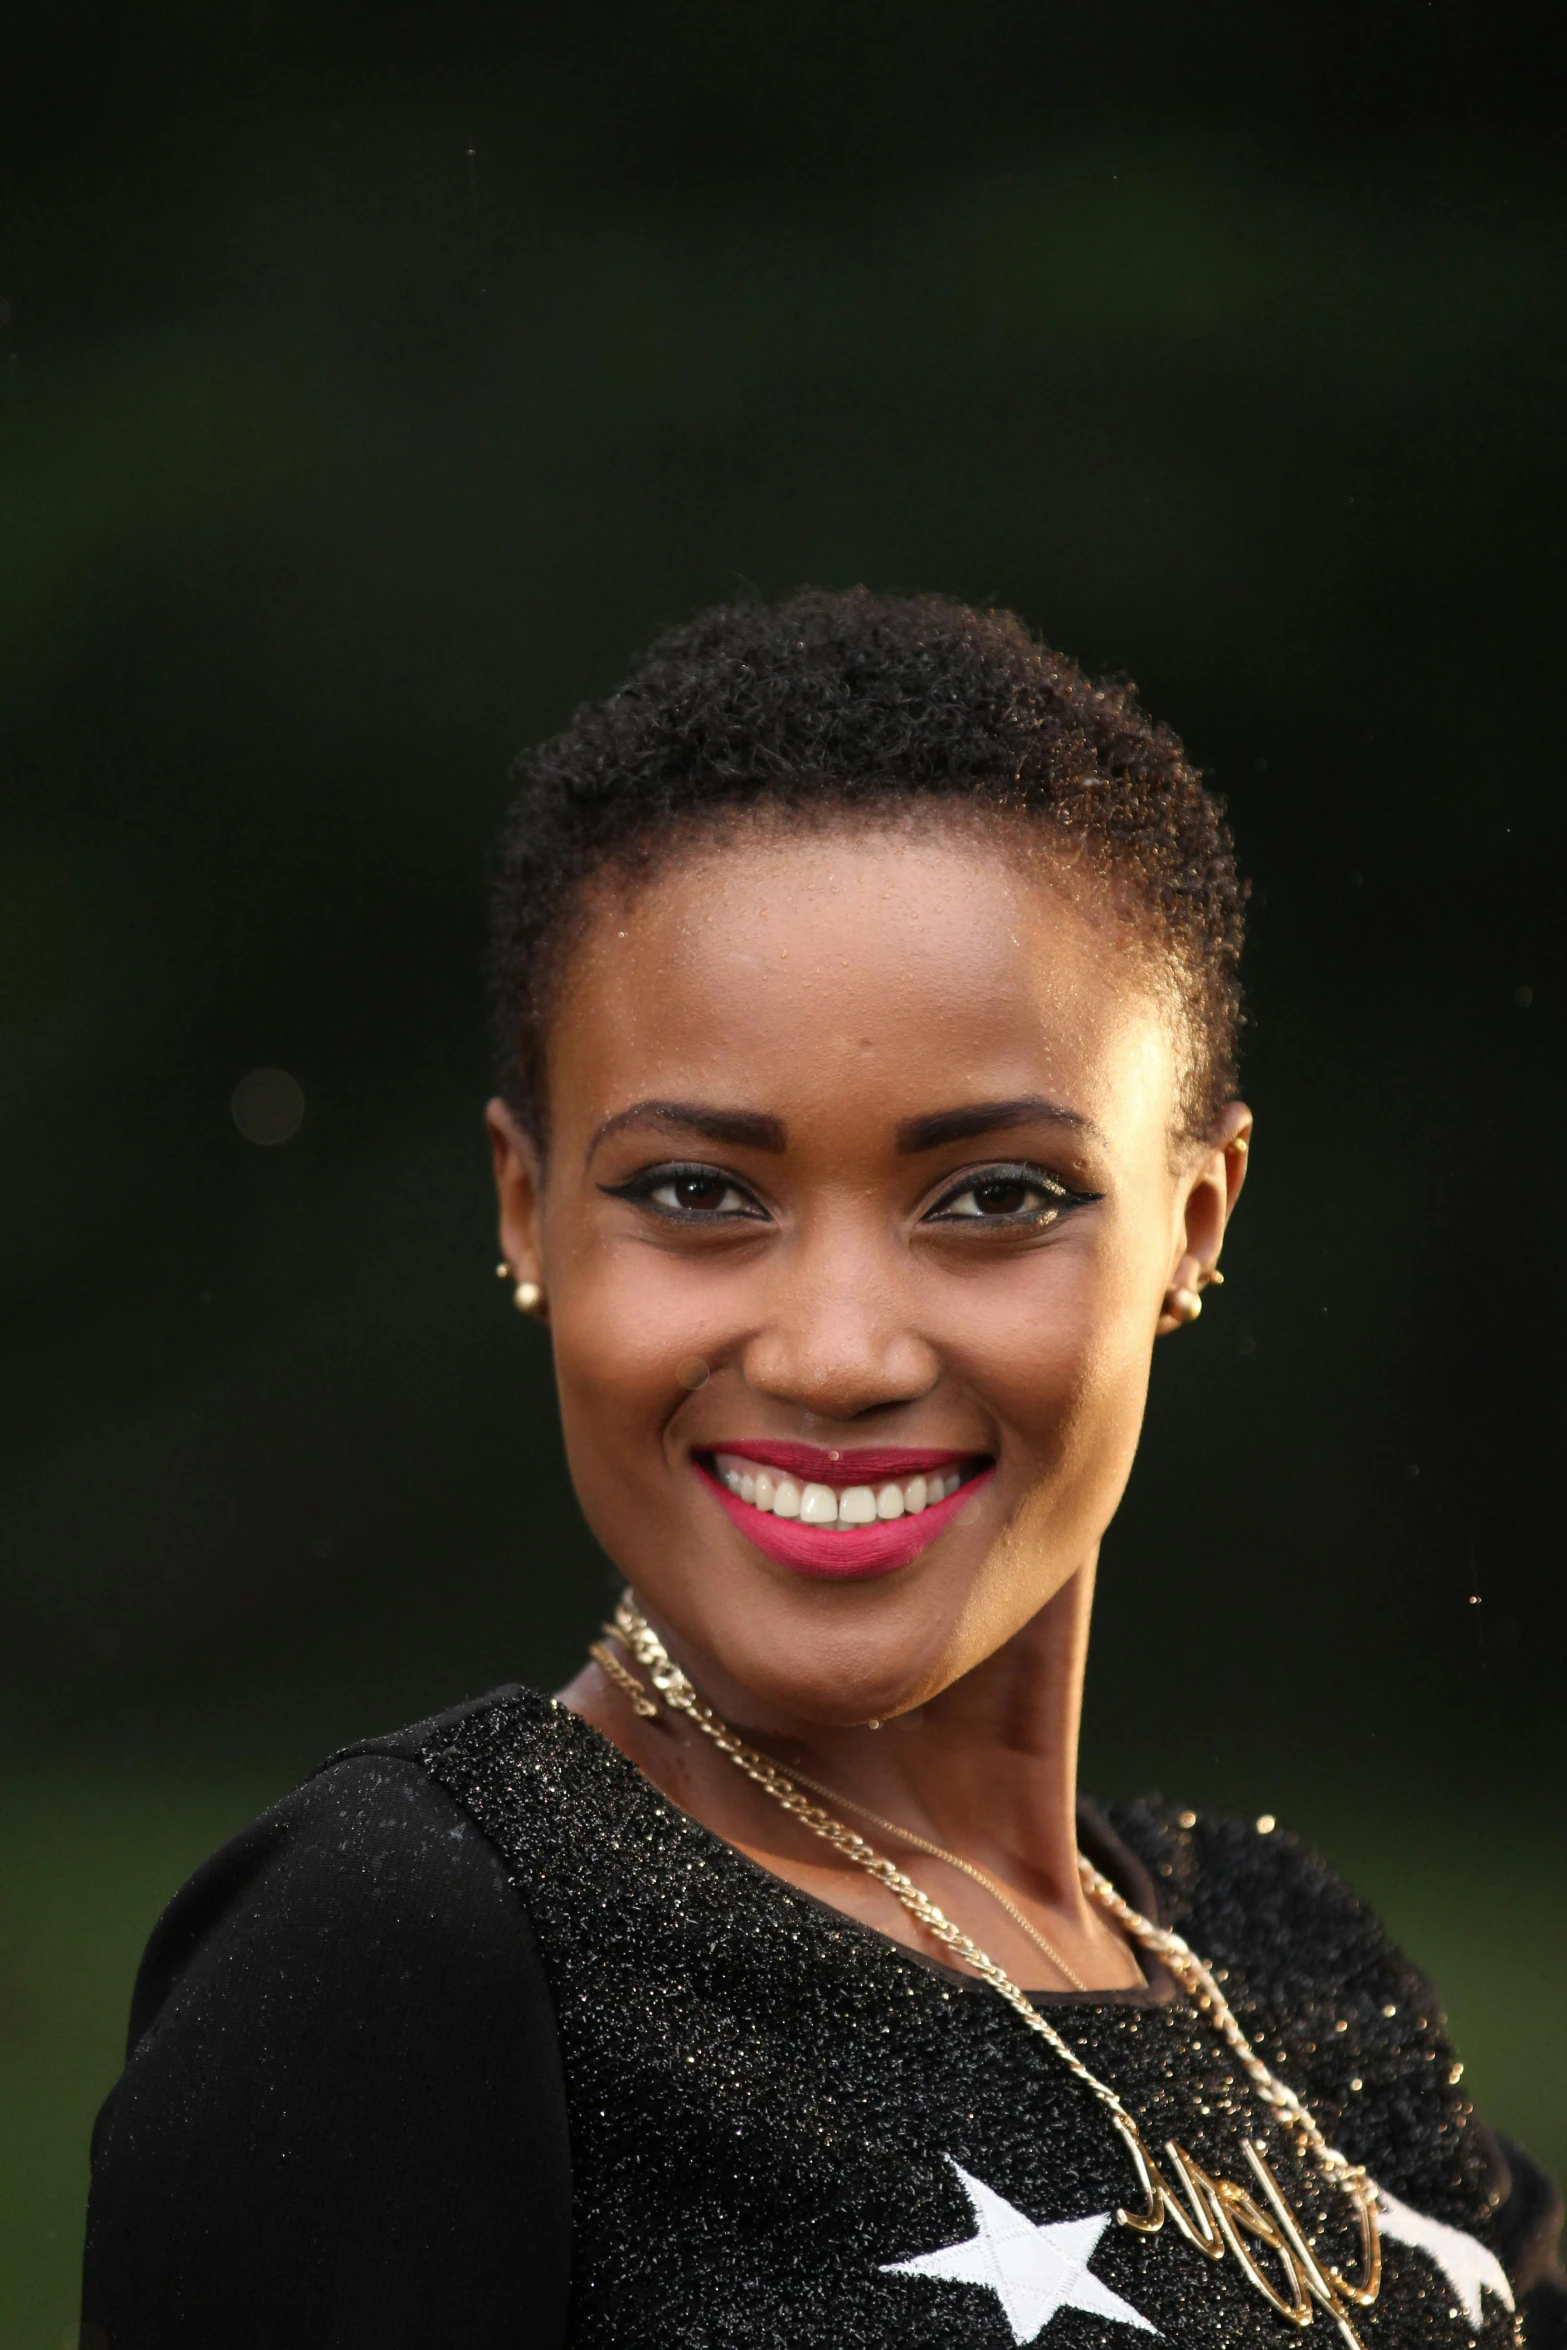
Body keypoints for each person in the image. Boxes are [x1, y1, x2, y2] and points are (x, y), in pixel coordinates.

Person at [82, 591, 1563, 2350]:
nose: (837, 1352)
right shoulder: (412, 1949)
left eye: (995, 1194)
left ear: (1192, 1221)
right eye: (699, 1192)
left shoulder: (1287, 1962)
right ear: (525, 1207)